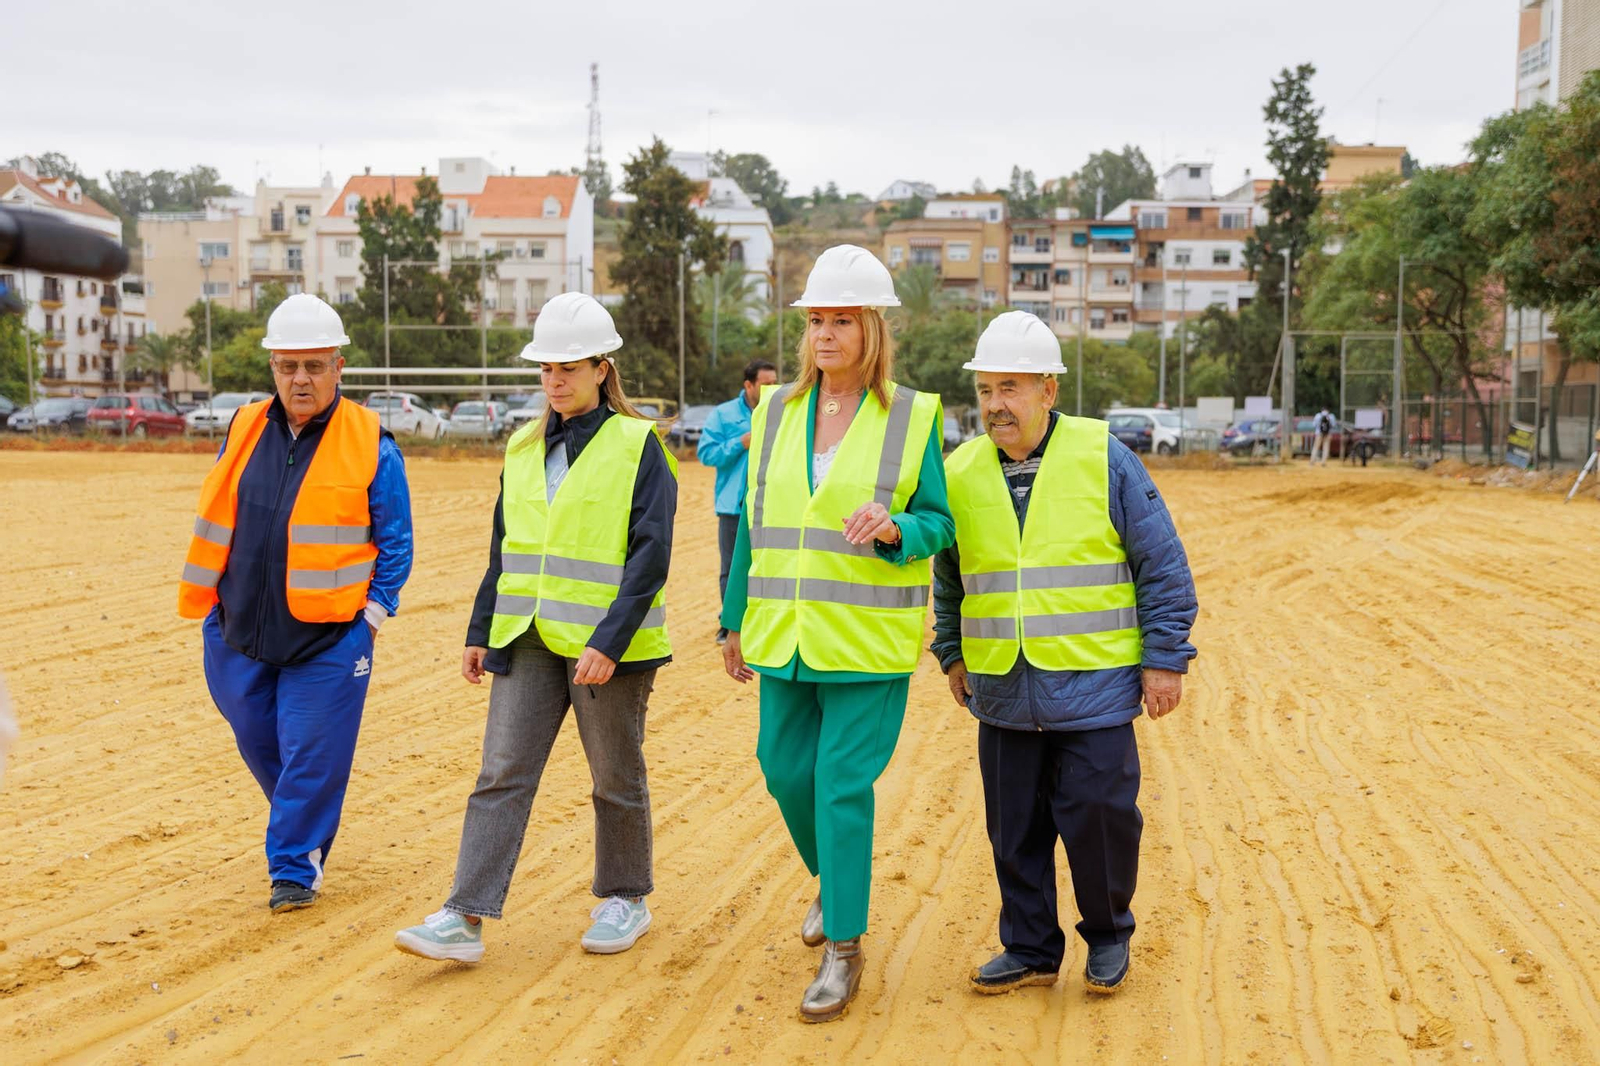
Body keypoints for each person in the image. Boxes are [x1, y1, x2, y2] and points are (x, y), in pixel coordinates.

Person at [395, 292, 676, 964]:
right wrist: (480, 629)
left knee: (614, 775)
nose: (555, 380)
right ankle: (464, 915)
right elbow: (506, 548)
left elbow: (651, 554)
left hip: (607, 647)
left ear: (602, 369)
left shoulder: (639, 445)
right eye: (546, 368)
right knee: (501, 772)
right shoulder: (523, 445)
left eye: (568, 368)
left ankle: (625, 898)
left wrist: (608, 642)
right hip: (525, 636)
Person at [720, 244, 953, 1022]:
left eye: (841, 320)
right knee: (783, 770)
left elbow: (940, 524)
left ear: (872, 328)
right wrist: (732, 618)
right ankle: (834, 885)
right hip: (783, 632)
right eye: (816, 319)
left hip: (864, 642)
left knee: (840, 785)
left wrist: (898, 528)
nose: (825, 333)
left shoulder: (914, 415)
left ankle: (844, 948)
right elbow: (756, 523)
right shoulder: (777, 411)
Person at [933, 311, 1197, 996]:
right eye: (987, 389)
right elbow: (950, 576)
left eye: (1011, 388)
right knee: (1013, 828)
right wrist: (951, 650)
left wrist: (1165, 658)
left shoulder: (1103, 454)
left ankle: (1108, 936)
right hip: (1001, 688)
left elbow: (1160, 561)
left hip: (1095, 684)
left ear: (1049, 391)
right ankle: (1029, 948)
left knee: (1101, 820)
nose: (996, 405)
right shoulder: (958, 470)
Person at [177, 293, 413, 913]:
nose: (299, 379)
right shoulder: (243, 425)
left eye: (313, 365)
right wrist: (212, 612)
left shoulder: (372, 443)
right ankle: (303, 819)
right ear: (273, 368)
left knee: (312, 752)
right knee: (261, 742)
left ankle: (293, 869)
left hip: (329, 639)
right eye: (287, 366)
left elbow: (395, 542)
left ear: (339, 366)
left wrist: (372, 618)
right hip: (235, 631)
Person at [699, 358, 779, 645]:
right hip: (733, 506)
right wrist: (740, 443)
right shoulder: (723, 415)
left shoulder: (783, 412)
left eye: (775, 383)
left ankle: (764, 623)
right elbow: (707, 454)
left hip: (773, 505)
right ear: (749, 385)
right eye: (767, 384)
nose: (773, 389)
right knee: (732, 567)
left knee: (771, 565)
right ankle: (730, 623)